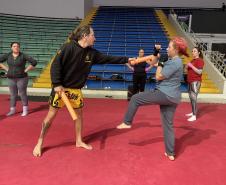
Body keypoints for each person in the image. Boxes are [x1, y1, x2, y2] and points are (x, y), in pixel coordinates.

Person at [33, 25, 134, 157]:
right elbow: (55, 65)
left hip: (76, 91)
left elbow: (108, 58)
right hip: (61, 90)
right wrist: (57, 84)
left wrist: (126, 60)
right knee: (51, 116)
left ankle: (79, 140)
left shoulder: (91, 53)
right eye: (93, 35)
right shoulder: (68, 47)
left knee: (79, 116)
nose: (95, 38)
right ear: (85, 36)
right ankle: (39, 142)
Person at [117, 37, 189, 161]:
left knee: (135, 98)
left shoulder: (175, 62)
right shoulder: (173, 60)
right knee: (168, 125)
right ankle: (170, 152)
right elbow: (153, 63)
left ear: (176, 49)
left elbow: (158, 76)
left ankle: (127, 122)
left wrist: (161, 63)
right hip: (173, 98)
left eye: (169, 47)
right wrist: (156, 53)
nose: (167, 48)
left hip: (165, 94)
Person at [0, 42, 37, 116]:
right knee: (13, 94)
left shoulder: (23, 55)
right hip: (11, 78)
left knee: (22, 94)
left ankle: (25, 110)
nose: (16, 47)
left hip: (22, 78)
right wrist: (7, 69)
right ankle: (12, 110)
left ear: (19, 47)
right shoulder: (8, 55)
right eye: (14, 46)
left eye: (17, 46)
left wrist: (26, 70)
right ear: (11, 47)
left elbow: (34, 62)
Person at [185, 47, 204, 122]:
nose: (193, 52)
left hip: (195, 81)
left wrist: (191, 66)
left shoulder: (200, 60)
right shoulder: (192, 60)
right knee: (191, 97)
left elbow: (199, 72)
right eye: (192, 51)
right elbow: (188, 69)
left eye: (195, 51)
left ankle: (194, 115)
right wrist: (187, 66)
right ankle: (193, 112)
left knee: (194, 98)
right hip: (190, 81)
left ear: (198, 53)